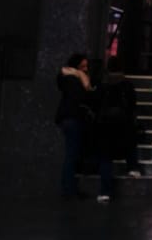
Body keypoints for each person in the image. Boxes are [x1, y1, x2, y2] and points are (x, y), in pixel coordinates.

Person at [54, 52, 113, 201]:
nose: (86, 69)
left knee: (71, 154)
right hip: (73, 119)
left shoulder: (69, 77)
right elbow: (83, 97)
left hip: (69, 118)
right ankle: (68, 190)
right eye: (83, 66)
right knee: (71, 155)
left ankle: (69, 188)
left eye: (86, 66)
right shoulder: (74, 80)